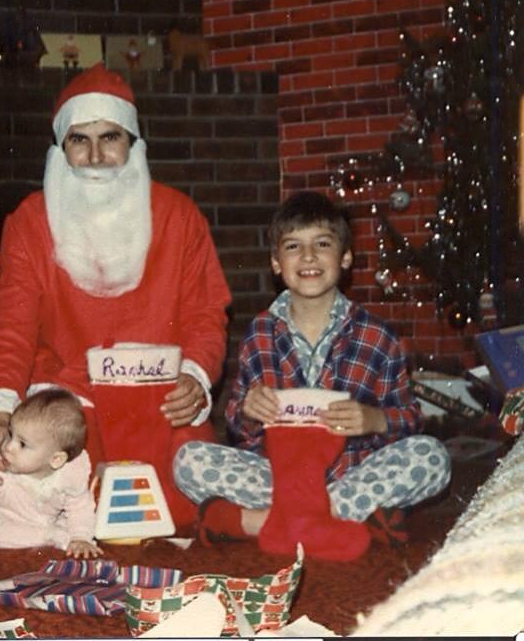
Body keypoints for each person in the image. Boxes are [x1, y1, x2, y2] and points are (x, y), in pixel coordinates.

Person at [0, 63, 232, 527]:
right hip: (69, 401)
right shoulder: (31, 221)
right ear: (61, 149)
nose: (95, 157)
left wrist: (194, 376)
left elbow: (205, 314)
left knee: (196, 493)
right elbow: (11, 330)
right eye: (79, 140)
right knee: (46, 501)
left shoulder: (180, 216)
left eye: (110, 138)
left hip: (159, 395)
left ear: (132, 145)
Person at [173, 191, 451, 558]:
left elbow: (410, 418)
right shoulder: (260, 333)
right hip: (280, 479)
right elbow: (239, 428)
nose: (308, 257)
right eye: (293, 247)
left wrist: (374, 419)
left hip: (351, 475)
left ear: (345, 257)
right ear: (276, 263)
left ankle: (259, 523)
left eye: (322, 244)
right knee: (188, 460)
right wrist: (249, 411)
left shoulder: (377, 336)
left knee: (431, 457)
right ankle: (332, 521)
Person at [0, 389, 102, 564]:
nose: (8, 447)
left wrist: (80, 537)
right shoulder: (0, 467)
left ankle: (55, 536)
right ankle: (47, 536)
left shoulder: (70, 472)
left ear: (56, 459)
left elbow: (80, 505)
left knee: (74, 525)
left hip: (40, 518)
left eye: (22, 444)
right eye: (10, 434)